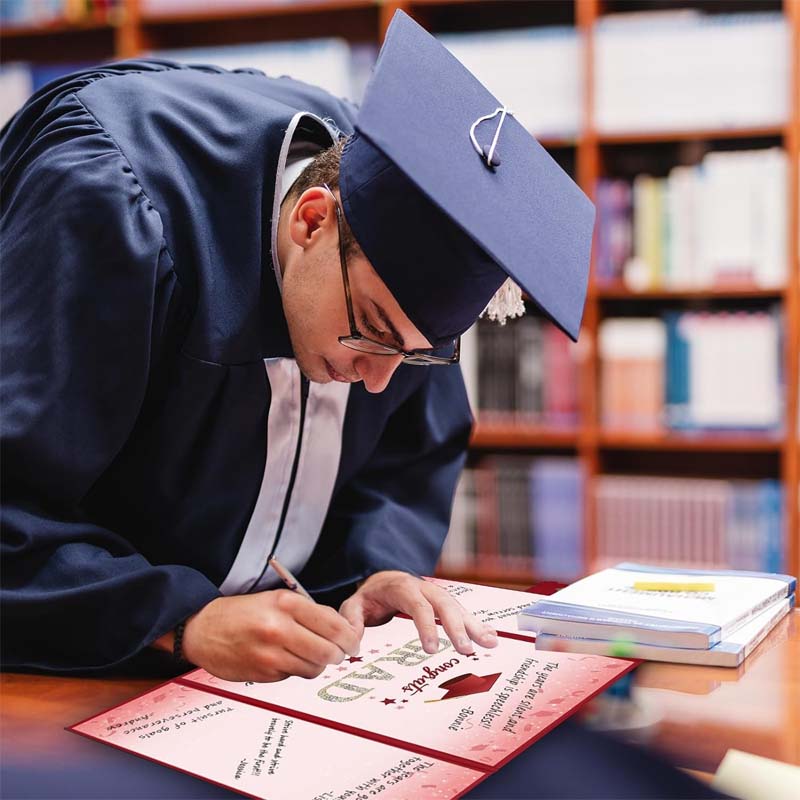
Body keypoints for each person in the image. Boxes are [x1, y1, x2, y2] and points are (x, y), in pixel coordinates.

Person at [1, 12, 593, 682]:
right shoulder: (113, 204)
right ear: (313, 220)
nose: (378, 381)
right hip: (74, 675)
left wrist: (371, 573)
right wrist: (178, 620)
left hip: (258, 685)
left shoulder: (405, 224)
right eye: (372, 328)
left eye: (414, 355)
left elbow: (405, 463)